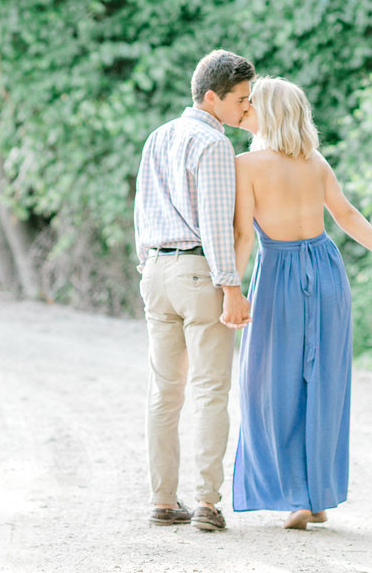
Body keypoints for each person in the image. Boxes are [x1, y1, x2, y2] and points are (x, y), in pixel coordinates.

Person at [228, 76, 372, 529]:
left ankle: (296, 496)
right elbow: (346, 214)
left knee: (270, 386)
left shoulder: (245, 165)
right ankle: (316, 497)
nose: (245, 109)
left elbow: (243, 237)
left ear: (266, 113)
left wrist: (229, 289)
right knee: (323, 384)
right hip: (327, 270)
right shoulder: (314, 162)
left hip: (278, 275)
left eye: (251, 103)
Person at [133, 49, 255, 532]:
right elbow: (216, 225)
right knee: (209, 388)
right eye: (240, 100)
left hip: (155, 271)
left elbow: (141, 210)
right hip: (199, 273)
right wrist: (231, 287)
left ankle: (163, 499)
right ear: (211, 97)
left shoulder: (158, 136)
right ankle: (206, 501)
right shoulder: (213, 144)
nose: (245, 109)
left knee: (164, 392)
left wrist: (146, 263)